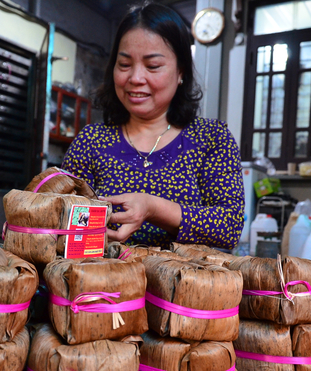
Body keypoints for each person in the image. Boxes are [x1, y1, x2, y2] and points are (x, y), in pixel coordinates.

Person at [61, 1, 245, 249]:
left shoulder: (211, 138)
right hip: (102, 282)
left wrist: (153, 208)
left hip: (184, 284)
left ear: (181, 71)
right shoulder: (92, 140)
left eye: (153, 66)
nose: (135, 78)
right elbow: (65, 217)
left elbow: (229, 226)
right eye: (124, 64)